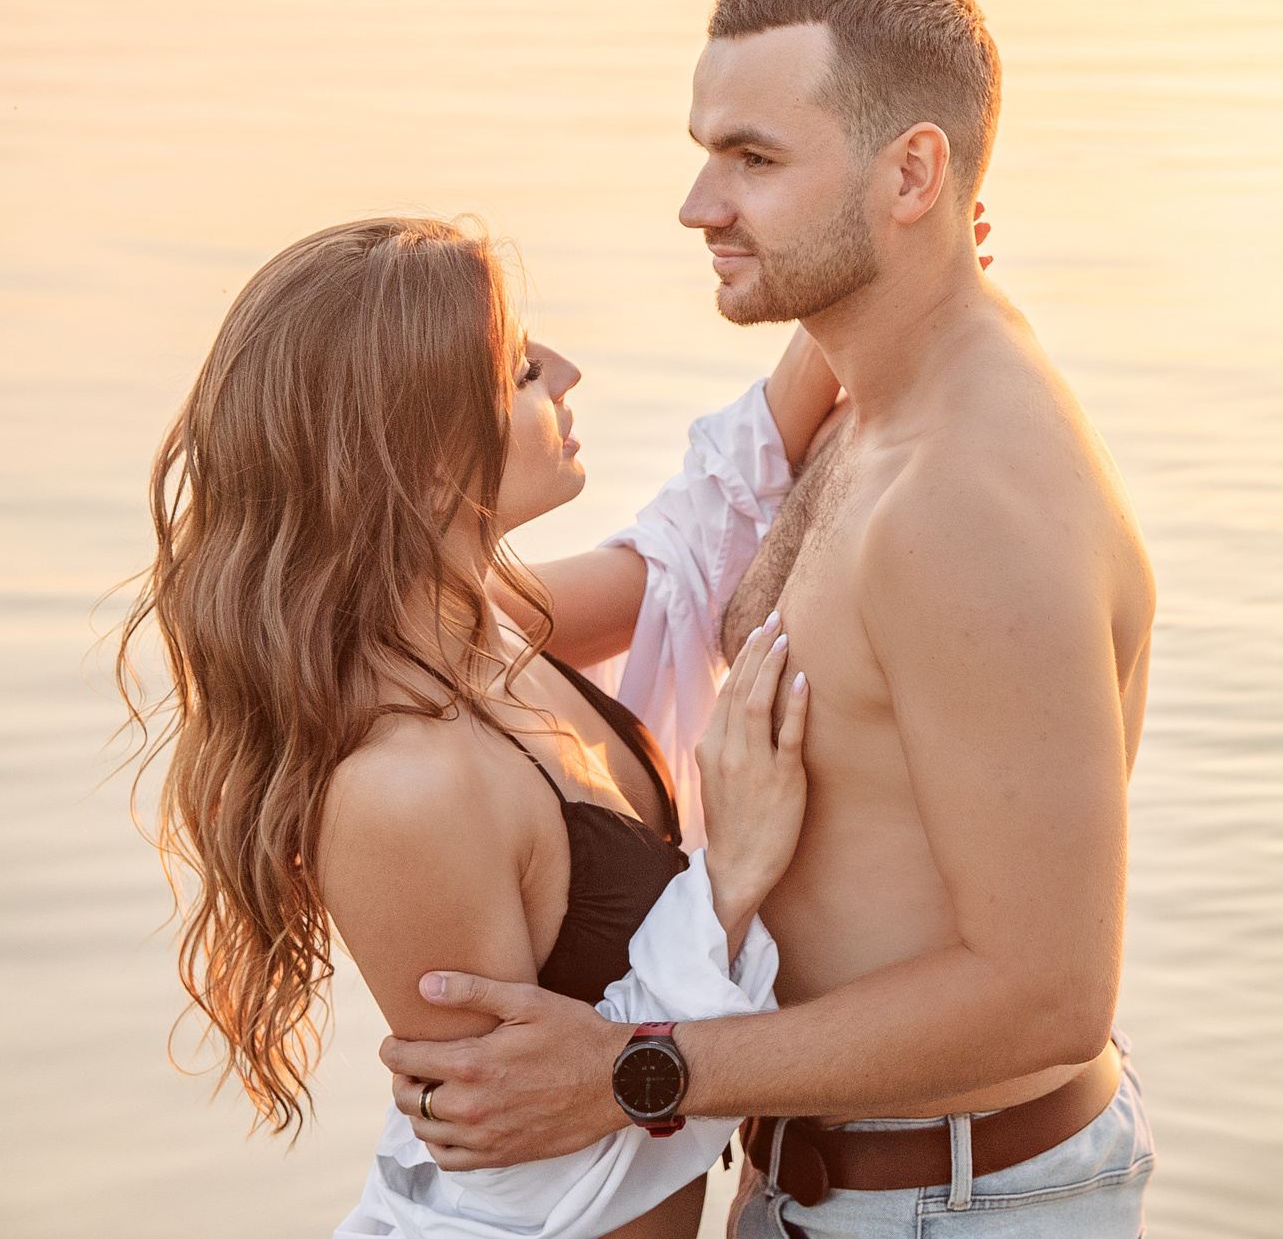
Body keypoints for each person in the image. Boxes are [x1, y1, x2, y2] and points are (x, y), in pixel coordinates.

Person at [380, 0, 1159, 1237]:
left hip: (956, 1204)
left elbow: (1048, 992)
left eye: (753, 158)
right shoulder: (869, 388)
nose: (698, 203)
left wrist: (634, 1072)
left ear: (913, 173)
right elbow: (597, 578)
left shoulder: (970, 508)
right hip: (819, 1177)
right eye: (705, 151)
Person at [115, 216, 826, 1239]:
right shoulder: (404, 785)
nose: (569, 371)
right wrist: (729, 880)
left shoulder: (478, 630)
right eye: (522, 369)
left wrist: (868, 297)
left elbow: (691, 539)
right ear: (429, 454)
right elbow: (524, 1173)